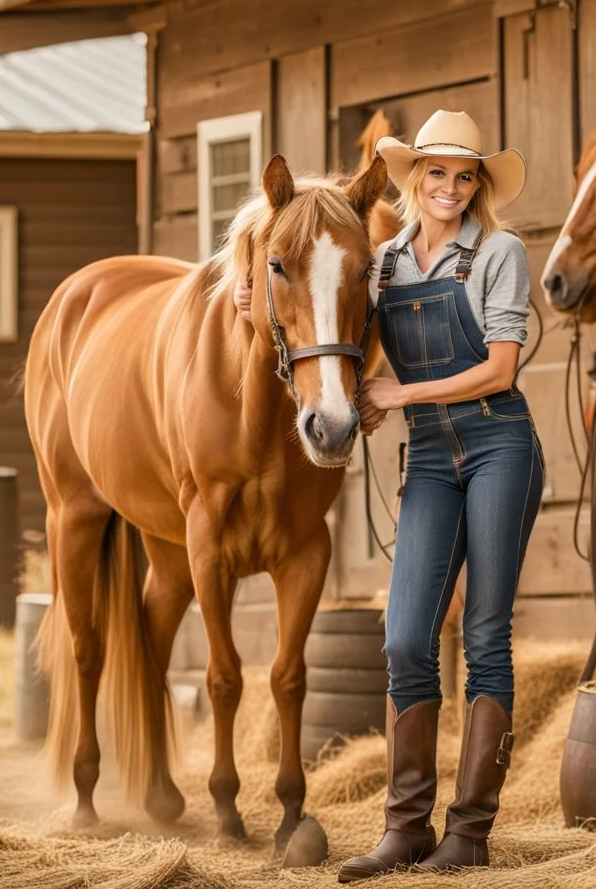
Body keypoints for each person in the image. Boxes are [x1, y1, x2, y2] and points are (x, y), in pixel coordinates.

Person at [233, 110, 543, 879]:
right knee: (405, 639)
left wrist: (396, 398)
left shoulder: (502, 252)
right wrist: (257, 304)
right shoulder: (386, 260)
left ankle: (468, 833)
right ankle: (406, 830)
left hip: (500, 442)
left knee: (484, 637)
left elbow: (501, 368)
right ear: (412, 180)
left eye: (464, 176)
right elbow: (329, 306)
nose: (449, 187)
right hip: (435, 456)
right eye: (435, 173)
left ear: (478, 186)